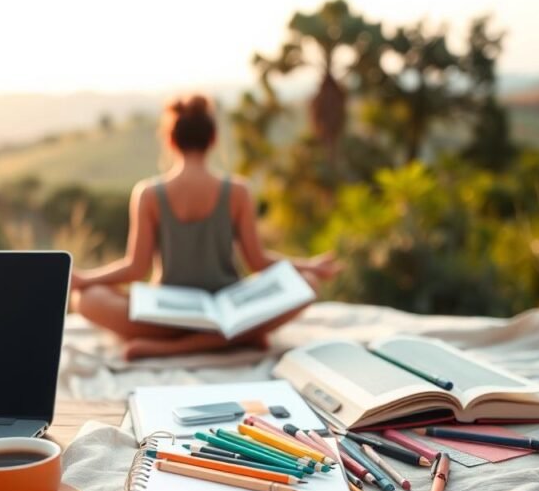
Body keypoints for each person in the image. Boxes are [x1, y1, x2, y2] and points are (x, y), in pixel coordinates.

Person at [70, 94, 341, 360]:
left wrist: (84, 280)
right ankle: (234, 336)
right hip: (232, 310)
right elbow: (257, 261)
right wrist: (308, 266)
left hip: (167, 314)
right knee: (308, 283)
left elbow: (136, 268)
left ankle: (172, 345)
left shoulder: (148, 194)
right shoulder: (238, 191)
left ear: (170, 140)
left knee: (85, 298)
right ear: (213, 139)